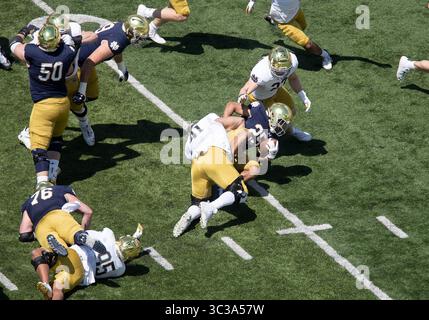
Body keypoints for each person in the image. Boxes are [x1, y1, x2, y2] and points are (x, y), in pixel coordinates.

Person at [10, 24, 77, 189]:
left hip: (44, 106)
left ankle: (42, 184)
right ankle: (52, 177)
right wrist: (63, 33)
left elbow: (13, 44)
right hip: (62, 104)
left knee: (39, 148)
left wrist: (24, 31)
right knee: (55, 140)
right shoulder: (67, 53)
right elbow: (69, 41)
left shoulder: (33, 52)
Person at [173, 114, 250, 237]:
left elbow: (189, 156)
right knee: (241, 191)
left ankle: (190, 215)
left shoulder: (190, 140)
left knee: (198, 202)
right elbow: (240, 120)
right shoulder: (211, 118)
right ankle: (211, 207)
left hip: (196, 165)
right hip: (214, 156)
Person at [32, 224, 144, 300]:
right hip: (81, 276)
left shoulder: (109, 236)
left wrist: (134, 237)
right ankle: (48, 286)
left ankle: (45, 280)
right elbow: (121, 255)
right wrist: (135, 240)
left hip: (74, 256)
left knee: (38, 252)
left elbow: (87, 234)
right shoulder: (120, 269)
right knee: (55, 292)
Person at [238, 46, 312, 142]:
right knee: (276, 121)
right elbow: (246, 87)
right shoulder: (262, 72)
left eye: (284, 70)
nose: (282, 73)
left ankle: (289, 130)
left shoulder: (292, 62)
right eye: (278, 71)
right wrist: (242, 96)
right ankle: (269, 142)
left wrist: (303, 96)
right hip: (261, 98)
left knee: (291, 111)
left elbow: (293, 78)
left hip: (276, 89)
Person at [245, 0, 332, 70]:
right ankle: (326, 56)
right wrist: (252, 1)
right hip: (284, 22)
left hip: (296, 11)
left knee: (303, 27)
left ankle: (272, 20)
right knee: (308, 45)